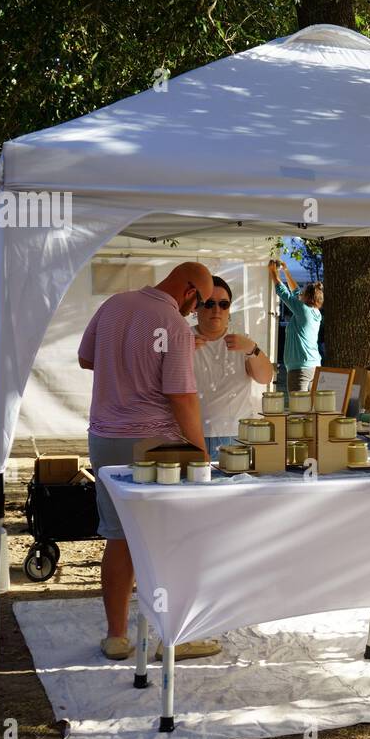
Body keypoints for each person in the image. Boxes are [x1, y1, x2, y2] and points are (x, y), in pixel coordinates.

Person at [79, 262, 219, 661]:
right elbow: (181, 396)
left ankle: (117, 636)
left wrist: (127, 363)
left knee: (118, 536)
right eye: (202, 302)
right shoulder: (172, 323)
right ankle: (176, 636)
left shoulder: (113, 305)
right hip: (154, 442)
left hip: (104, 437)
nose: (198, 311)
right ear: (189, 289)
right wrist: (199, 449)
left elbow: (86, 359)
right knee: (171, 538)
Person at [191, 275, 274, 454]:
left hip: (236, 434)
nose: (217, 310)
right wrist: (180, 350)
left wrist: (252, 349)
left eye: (223, 304)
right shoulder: (183, 340)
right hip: (193, 434)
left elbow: (265, 377)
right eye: (209, 303)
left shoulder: (242, 340)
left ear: (229, 308)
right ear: (196, 307)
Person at [270, 260, 322, 397]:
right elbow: (296, 292)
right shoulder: (315, 312)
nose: (301, 294)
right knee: (311, 409)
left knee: (299, 411)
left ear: (306, 297)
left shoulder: (303, 310)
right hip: (314, 366)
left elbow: (284, 293)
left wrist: (273, 273)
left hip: (300, 369)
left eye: (303, 293)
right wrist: (286, 271)